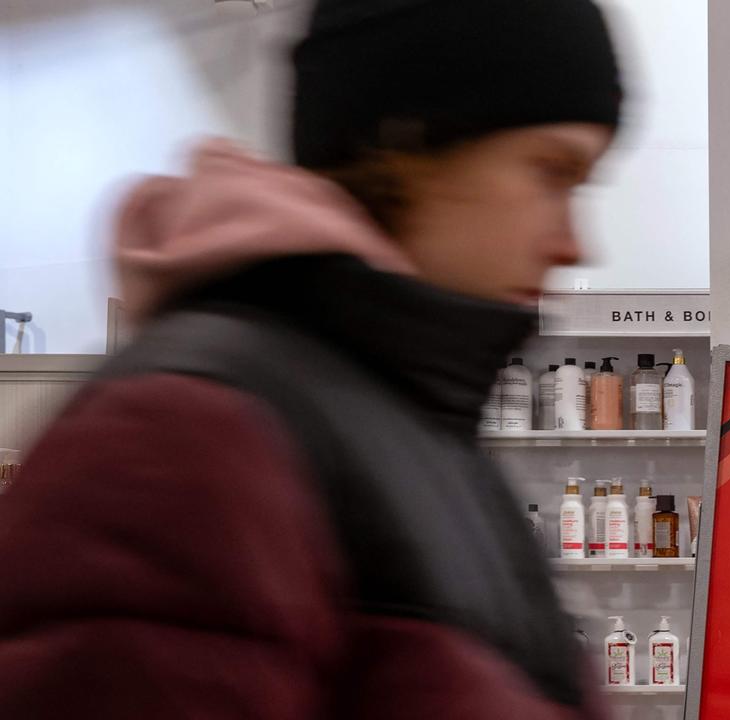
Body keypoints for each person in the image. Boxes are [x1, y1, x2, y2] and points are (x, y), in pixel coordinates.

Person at [0, 0, 623, 717]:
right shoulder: (186, 434)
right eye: (550, 171)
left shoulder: (406, 426)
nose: (576, 243)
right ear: (405, 141)